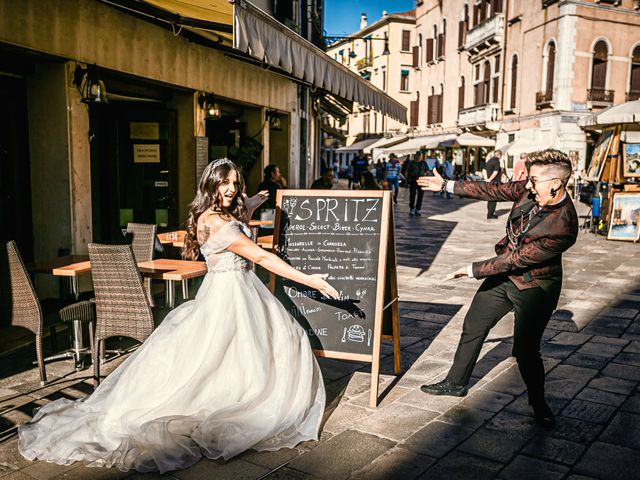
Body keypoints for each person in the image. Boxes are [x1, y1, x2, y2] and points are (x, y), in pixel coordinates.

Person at [18, 159, 339, 473]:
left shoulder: (211, 214)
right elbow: (257, 254)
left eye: (234, 183)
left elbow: (236, 230)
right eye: (224, 182)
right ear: (211, 184)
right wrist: (309, 279)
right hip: (232, 295)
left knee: (228, 356)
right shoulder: (217, 222)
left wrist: (251, 204)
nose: (231, 188)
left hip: (232, 291)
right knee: (239, 352)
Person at [417, 149, 578, 427]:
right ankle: (456, 383)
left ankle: (538, 404)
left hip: (534, 287)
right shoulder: (530, 190)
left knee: (525, 352)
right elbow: (492, 189)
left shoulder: (564, 225)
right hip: (505, 278)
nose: (528, 185)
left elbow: (517, 259)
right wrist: (447, 184)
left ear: (555, 184)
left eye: (534, 180)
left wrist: (471, 270)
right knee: (474, 323)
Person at [403, 150, 428, 216]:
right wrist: (406, 181)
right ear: (416, 156)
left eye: (421, 155)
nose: (420, 157)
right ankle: (411, 208)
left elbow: (427, 171)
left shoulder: (424, 163)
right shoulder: (411, 163)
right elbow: (406, 172)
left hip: (422, 180)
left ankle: (418, 209)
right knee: (412, 194)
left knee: (420, 195)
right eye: (419, 155)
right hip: (413, 180)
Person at [483, 150, 502, 219]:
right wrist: (490, 179)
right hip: (494, 182)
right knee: (493, 199)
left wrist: (486, 179)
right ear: (499, 155)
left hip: (489, 183)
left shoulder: (489, 160)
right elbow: (496, 172)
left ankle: (489, 213)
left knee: (490, 198)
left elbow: (484, 170)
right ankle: (490, 215)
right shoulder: (497, 161)